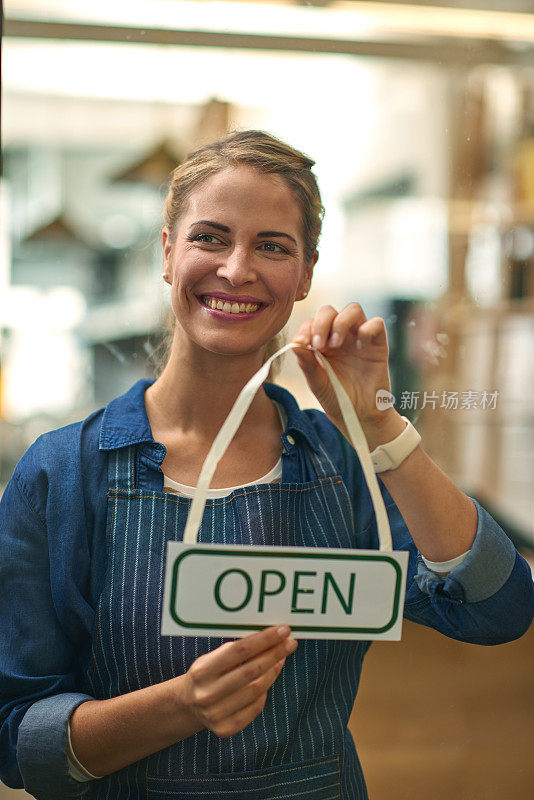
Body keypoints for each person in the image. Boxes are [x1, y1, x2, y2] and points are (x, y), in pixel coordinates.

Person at [0, 130, 532, 800]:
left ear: (305, 273)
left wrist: (378, 429)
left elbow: (497, 608)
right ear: (167, 252)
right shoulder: (63, 473)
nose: (236, 269)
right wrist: (182, 705)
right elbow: (19, 742)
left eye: (272, 246)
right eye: (211, 237)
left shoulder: (342, 465)